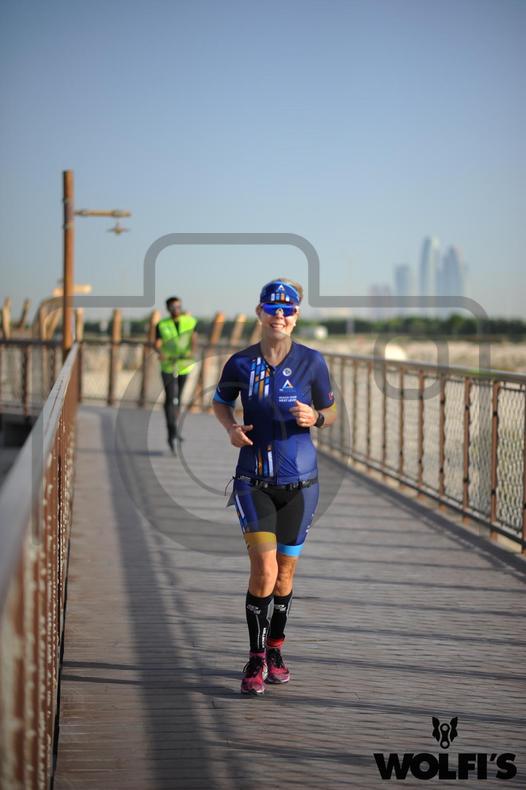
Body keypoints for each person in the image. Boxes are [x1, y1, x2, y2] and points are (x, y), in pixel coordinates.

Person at [212, 278, 337, 695]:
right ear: (259, 313)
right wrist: (231, 428)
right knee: (264, 570)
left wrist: (316, 418)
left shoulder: (312, 362)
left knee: (285, 575)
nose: (279, 315)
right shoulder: (240, 363)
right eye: (272, 308)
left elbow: (331, 411)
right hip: (253, 481)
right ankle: (255, 658)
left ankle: (276, 649)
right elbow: (220, 401)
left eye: (287, 309)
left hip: (302, 485)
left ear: (297, 316)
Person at [155, 296, 198, 452]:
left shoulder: (190, 321)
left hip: (184, 364)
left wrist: (192, 352)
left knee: (178, 396)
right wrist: (160, 352)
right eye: (173, 307)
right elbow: (157, 343)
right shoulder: (162, 324)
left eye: (178, 306)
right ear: (168, 308)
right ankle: (171, 429)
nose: (176, 309)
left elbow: (194, 338)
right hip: (168, 364)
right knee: (170, 396)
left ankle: (176, 427)